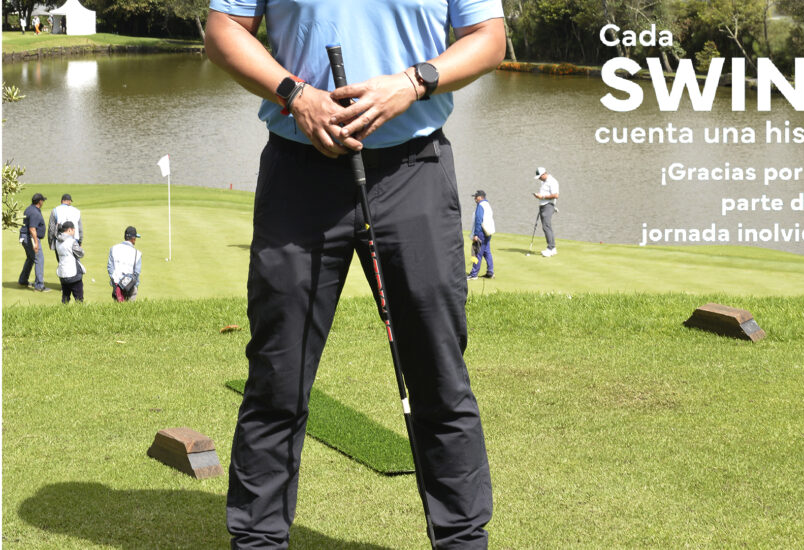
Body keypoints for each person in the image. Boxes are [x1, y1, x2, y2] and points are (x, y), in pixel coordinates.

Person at [205, 2, 505, 548]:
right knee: (278, 376)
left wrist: (413, 83)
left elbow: (489, 37)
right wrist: (295, 95)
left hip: (414, 170)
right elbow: (223, 30)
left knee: (438, 373)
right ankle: (258, 541)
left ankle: (463, 541)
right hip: (300, 174)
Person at [18, 193, 50, 292]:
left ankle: (23, 280)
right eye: (42, 200)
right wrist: (36, 243)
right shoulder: (35, 212)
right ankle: (39, 285)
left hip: (24, 237)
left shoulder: (29, 209)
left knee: (31, 258)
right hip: (30, 238)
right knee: (39, 259)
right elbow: (32, 229)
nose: (43, 202)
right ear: (40, 201)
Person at [107, 226, 142, 302]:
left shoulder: (113, 248)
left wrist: (116, 284)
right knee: (130, 309)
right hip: (131, 287)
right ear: (133, 239)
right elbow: (136, 273)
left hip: (117, 285)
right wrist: (135, 287)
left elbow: (110, 268)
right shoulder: (137, 253)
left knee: (118, 308)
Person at [468, 190, 495, 280]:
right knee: (487, 252)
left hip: (481, 232)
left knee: (477, 253)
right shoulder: (487, 205)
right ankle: (490, 272)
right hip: (488, 232)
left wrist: (476, 234)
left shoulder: (480, 205)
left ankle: (474, 274)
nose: (475, 199)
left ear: (480, 197)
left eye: (476, 197)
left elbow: (479, 220)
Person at [56, 221, 85, 303]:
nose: (74, 232)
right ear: (69, 230)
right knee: (79, 299)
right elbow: (81, 254)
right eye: (73, 230)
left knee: (65, 298)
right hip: (73, 274)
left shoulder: (57, 241)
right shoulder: (72, 241)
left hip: (62, 273)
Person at [533, 166, 560, 257]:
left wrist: (542, 197)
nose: (539, 179)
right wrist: (539, 196)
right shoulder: (543, 181)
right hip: (543, 205)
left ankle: (550, 248)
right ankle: (553, 249)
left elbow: (556, 195)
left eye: (540, 177)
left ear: (544, 174)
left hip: (548, 205)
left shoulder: (552, 181)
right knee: (547, 227)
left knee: (546, 227)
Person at [48, 193, 83, 261]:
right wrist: (80, 242)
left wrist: (50, 242)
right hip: (74, 240)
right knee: (75, 262)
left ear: (61, 201)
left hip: (60, 240)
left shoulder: (55, 210)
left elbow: (51, 229)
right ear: (69, 201)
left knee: (62, 262)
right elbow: (80, 229)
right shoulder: (76, 211)